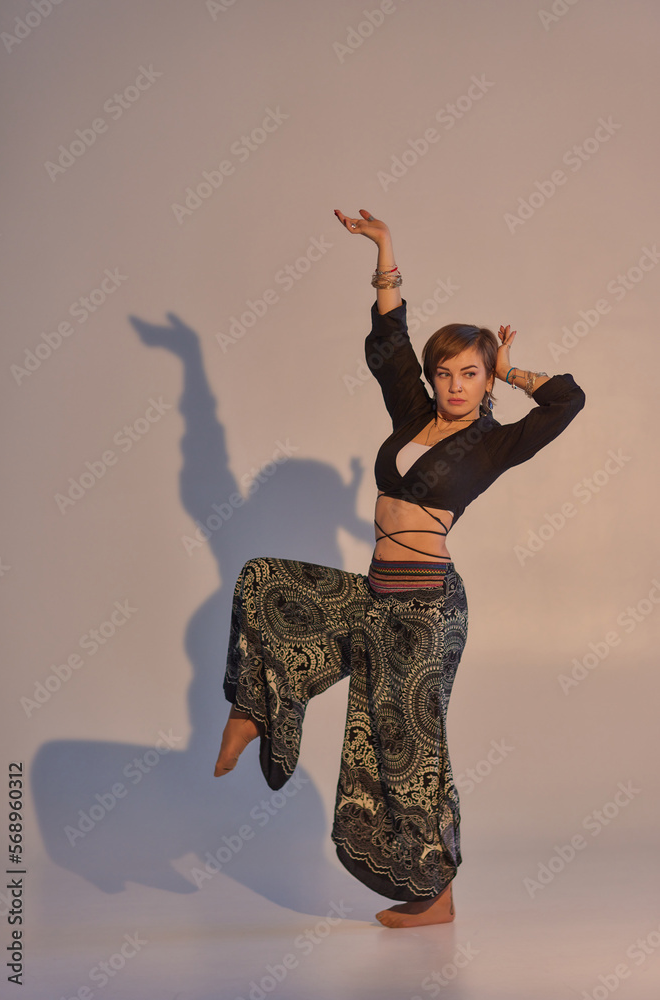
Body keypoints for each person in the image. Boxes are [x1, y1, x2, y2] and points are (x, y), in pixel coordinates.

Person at [214, 209, 585, 928]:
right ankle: (254, 708)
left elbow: (567, 400)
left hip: (426, 610)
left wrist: (510, 367)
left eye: (470, 374)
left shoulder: (495, 443)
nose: (454, 385)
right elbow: (390, 344)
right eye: (445, 373)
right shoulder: (412, 415)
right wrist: (385, 249)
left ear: (485, 380)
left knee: (406, 748)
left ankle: (435, 893)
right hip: (376, 596)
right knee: (265, 580)